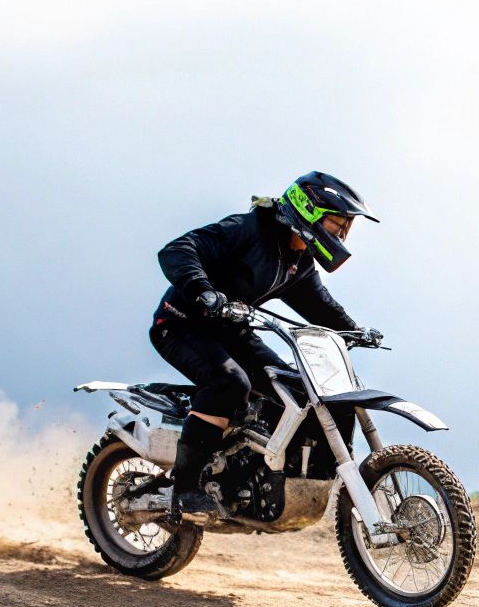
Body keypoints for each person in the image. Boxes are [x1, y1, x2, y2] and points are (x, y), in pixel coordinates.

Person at [150, 172, 383, 521]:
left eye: (346, 228)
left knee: (293, 391)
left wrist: (355, 331)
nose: (341, 235)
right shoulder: (247, 229)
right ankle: (186, 488)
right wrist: (205, 291)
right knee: (230, 383)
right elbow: (177, 250)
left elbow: (319, 305)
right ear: (309, 211)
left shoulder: (298, 260)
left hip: (233, 333)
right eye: (338, 224)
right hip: (182, 323)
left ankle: (249, 477)